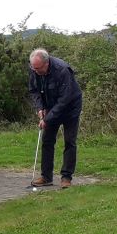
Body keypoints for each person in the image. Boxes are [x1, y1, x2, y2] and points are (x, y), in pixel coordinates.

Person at [28, 48, 82, 189]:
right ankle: (46, 177)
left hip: (70, 107)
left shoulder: (62, 70)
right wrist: (40, 108)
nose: (35, 71)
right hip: (51, 106)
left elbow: (65, 99)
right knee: (47, 140)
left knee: (69, 141)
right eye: (34, 68)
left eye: (38, 68)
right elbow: (34, 91)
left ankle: (66, 177)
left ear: (46, 63)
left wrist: (47, 119)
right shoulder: (35, 69)